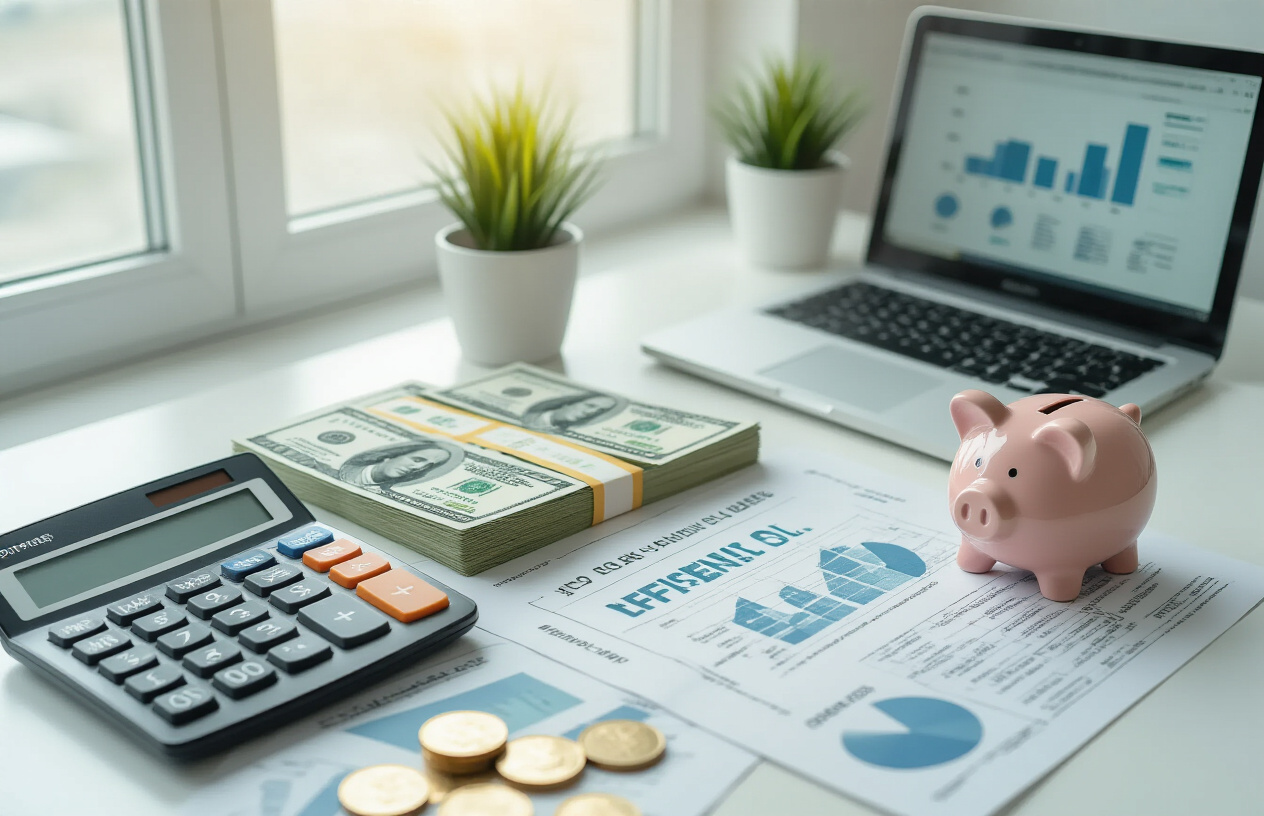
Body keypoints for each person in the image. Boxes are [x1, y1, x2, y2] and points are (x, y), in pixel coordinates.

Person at [339, 442, 456, 490]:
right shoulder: (348, 470)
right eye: (417, 459)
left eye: (427, 467)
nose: (417, 467)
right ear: (395, 455)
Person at [523, 393, 620, 432]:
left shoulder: (568, 430)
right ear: (569, 403)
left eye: (600, 411)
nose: (592, 412)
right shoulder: (529, 417)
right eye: (590, 405)